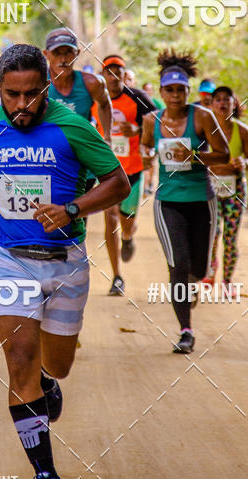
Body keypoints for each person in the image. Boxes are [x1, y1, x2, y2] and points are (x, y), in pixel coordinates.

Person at [0, 44, 129, 479]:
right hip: (8, 259)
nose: (22, 105)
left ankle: (49, 382)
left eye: (32, 94)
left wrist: (72, 208)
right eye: (12, 95)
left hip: (65, 262)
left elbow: (118, 183)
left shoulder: (74, 128)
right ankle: (46, 477)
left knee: (57, 364)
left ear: (46, 87)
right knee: (19, 358)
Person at [141, 50, 229, 354]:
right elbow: (144, 148)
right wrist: (143, 157)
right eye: (170, 90)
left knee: (199, 267)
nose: (176, 95)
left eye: (181, 90)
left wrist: (195, 156)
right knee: (177, 263)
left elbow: (224, 154)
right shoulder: (150, 120)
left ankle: (194, 280)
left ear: (187, 91)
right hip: (167, 201)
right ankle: (186, 331)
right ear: (161, 91)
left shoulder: (202, 117)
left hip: (201, 200)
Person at [93, 54, 156, 295]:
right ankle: (116, 276)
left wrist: (138, 130)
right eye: (108, 71)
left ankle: (128, 237)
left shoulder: (137, 97)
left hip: (132, 169)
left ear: (123, 73)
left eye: (117, 70)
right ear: (103, 75)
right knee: (109, 217)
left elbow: (160, 121)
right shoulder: (95, 98)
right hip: (106, 170)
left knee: (126, 221)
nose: (113, 75)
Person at [208, 85, 248, 293]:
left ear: (233, 103)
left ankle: (227, 281)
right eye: (217, 99)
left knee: (230, 235)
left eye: (226, 100)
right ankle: (210, 271)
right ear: (211, 104)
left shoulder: (243, 131)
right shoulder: (205, 129)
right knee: (211, 232)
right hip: (210, 188)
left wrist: (244, 163)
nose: (222, 103)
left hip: (235, 190)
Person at [44, 27, 112, 150]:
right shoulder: (37, 84)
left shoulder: (93, 83)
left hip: (81, 151)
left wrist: (107, 136)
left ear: (77, 53)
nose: (63, 59)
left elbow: (105, 104)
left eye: (68, 52)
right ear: (46, 54)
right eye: (57, 53)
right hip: (47, 152)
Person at [142, 82, 163, 195]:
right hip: (144, 137)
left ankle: (150, 183)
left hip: (155, 137)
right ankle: (145, 185)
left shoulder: (157, 104)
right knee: (146, 159)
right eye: (145, 90)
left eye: (149, 90)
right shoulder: (139, 102)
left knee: (153, 161)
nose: (147, 92)